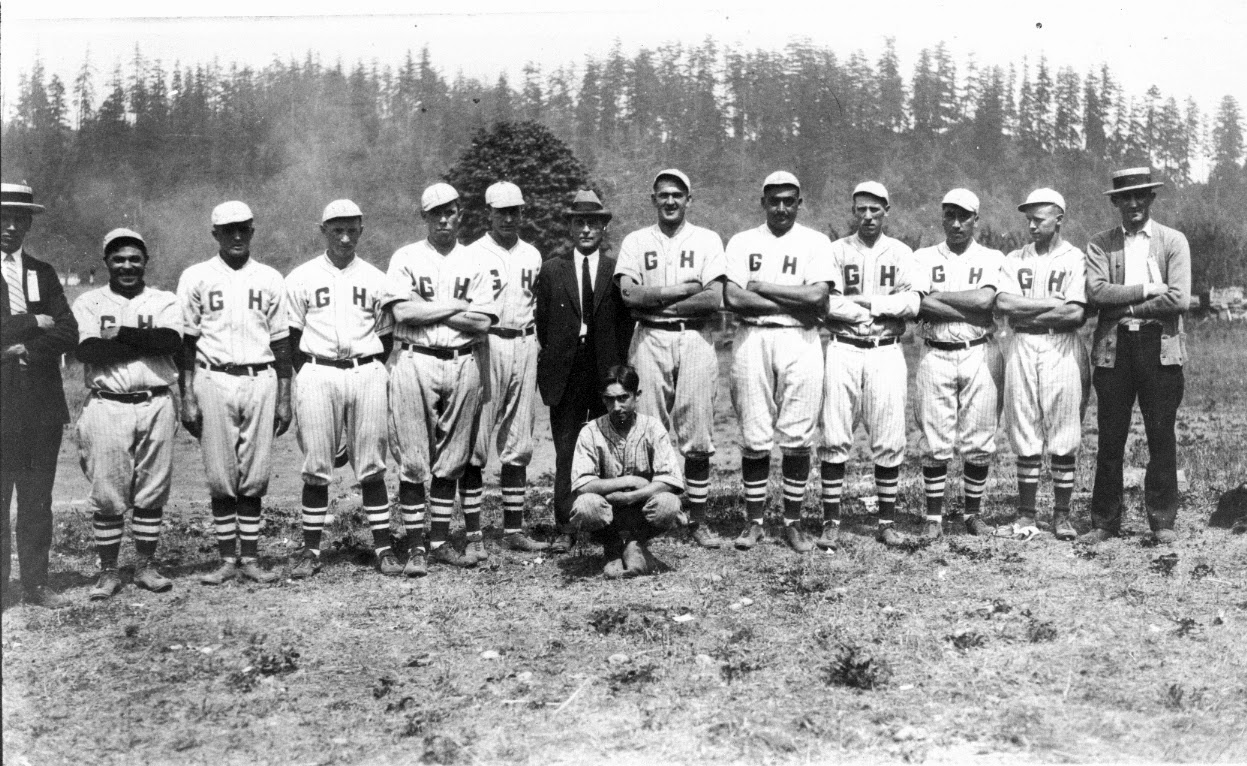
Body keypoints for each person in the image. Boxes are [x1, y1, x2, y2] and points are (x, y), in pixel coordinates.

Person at [177, 201, 291, 585]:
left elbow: (282, 343)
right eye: (229, 230)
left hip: (260, 376)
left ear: (252, 231)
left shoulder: (272, 278)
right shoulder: (196, 276)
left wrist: (286, 397)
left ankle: (252, 558)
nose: (237, 236)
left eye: (243, 229)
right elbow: (186, 344)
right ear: (216, 235)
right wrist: (187, 396)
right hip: (213, 377)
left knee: (255, 473)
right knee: (221, 473)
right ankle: (228, 558)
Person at [387, 184, 499, 569]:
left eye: (449, 211)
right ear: (424, 217)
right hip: (415, 360)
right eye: (435, 213)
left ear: (459, 214)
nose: (443, 219)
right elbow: (403, 314)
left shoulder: (477, 261)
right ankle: (417, 547)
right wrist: (456, 308)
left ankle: (438, 544)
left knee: (452, 459)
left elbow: (483, 321)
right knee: (414, 458)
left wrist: (430, 308)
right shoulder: (405, 257)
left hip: (463, 359)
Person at [723, 171, 834, 553]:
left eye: (789, 200)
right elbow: (735, 299)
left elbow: (818, 295)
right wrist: (793, 299)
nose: (782, 207)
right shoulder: (743, 241)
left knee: (798, 433)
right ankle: (754, 522)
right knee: (754, 431)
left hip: (799, 340)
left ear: (799, 203)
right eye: (775, 200)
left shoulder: (816, 242)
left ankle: (792, 522)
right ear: (763, 202)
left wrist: (763, 286)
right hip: (752, 336)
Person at [285, 200, 397, 579]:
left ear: (361, 230)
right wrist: (314, 373)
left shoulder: (377, 278)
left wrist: (367, 370)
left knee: (371, 464)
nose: (345, 237)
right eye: (337, 230)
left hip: (365, 370)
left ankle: (384, 547)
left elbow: (387, 337)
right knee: (317, 464)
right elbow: (290, 336)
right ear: (324, 231)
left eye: (352, 229)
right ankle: (311, 550)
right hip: (317, 371)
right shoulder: (300, 277)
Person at [615, 169, 726, 548]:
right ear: (653, 199)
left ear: (689, 200)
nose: (670, 201)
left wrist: (656, 296)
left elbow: (713, 298)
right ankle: (653, 517)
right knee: (646, 428)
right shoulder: (635, 240)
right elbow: (629, 297)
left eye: (677, 195)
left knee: (697, 431)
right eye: (663, 195)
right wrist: (682, 289)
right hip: (648, 336)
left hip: (694, 337)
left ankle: (697, 519)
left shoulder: (707, 239)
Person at [72, 229, 182, 600]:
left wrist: (118, 336)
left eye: (134, 258)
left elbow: (170, 342)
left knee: (152, 488)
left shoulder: (164, 299)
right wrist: (142, 341)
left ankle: (146, 567)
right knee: (108, 490)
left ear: (145, 262)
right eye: (118, 259)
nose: (127, 266)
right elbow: (88, 351)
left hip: (155, 400)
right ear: (106, 262)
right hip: (108, 402)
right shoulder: (89, 301)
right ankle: (108, 571)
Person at [1083, 168, 1191, 546]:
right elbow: (1096, 293)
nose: (1133, 203)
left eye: (1140, 196)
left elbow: (1177, 298)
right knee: (1111, 437)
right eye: (1125, 197)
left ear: (1151, 199)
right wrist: (1146, 289)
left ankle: (1162, 521)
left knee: (1161, 435)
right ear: (1114, 201)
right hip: (1115, 350)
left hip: (1159, 348)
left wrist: (1131, 309)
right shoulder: (1101, 244)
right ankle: (1104, 522)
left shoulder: (1172, 242)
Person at [819, 182, 922, 549]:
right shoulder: (835, 250)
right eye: (861, 209)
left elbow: (912, 303)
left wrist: (868, 305)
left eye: (874, 210)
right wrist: (874, 308)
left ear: (886, 211)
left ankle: (886, 521)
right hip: (843, 347)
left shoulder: (902, 252)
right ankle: (831, 521)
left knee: (889, 434)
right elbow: (826, 301)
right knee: (834, 434)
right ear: (853, 210)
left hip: (885, 350)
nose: (867, 216)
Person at [534, 190, 634, 555]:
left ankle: (608, 524)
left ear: (604, 227)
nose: (587, 229)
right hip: (567, 372)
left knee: (609, 446)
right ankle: (567, 524)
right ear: (570, 227)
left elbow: (625, 324)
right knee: (567, 449)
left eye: (594, 223)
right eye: (580, 222)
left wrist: (615, 367)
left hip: (604, 371)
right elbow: (544, 324)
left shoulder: (615, 269)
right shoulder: (552, 269)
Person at [912, 189, 1007, 541]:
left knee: (979, 438)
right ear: (941, 217)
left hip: (979, 350)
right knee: (935, 438)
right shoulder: (923, 256)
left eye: (963, 216)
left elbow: (986, 301)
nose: (956, 223)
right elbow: (920, 305)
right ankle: (933, 517)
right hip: (936, 350)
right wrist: (960, 305)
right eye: (949, 215)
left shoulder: (992, 256)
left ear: (975, 220)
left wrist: (940, 297)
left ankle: (972, 514)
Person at [994, 189, 1088, 541]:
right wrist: (1051, 304)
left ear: (1059, 218)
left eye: (1039, 218)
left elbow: (1075, 312)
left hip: (1060, 345)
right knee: (1024, 425)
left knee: (1064, 428)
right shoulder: (1014, 258)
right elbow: (1004, 303)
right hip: (1021, 343)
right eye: (1028, 219)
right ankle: (1026, 513)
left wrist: (1029, 307)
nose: (1031, 225)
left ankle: (1062, 514)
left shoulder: (1075, 258)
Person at [1, 182, 78, 608]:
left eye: (19, 218)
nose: (11, 227)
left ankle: (35, 583)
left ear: (29, 222)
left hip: (41, 408)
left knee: (36, 499)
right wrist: (34, 319)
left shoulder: (43, 272)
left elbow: (69, 330)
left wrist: (26, 346)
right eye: (3, 218)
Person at [460, 182, 548, 553]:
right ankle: (474, 536)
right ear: (489, 214)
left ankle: (513, 531)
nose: (509, 218)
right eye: (502, 211)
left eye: (515, 211)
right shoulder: (470, 254)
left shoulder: (533, 255)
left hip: (525, 342)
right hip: (487, 343)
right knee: (475, 443)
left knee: (518, 442)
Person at [569, 365, 686, 578]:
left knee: (669, 504)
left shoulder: (652, 427)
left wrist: (631, 496)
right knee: (585, 506)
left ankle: (635, 543)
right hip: (607, 510)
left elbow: (669, 479)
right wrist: (629, 481)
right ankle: (611, 545)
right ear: (602, 399)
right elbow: (583, 484)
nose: (617, 406)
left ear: (636, 396)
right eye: (609, 399)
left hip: (642, 510)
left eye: (623, 398)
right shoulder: (590, 431)